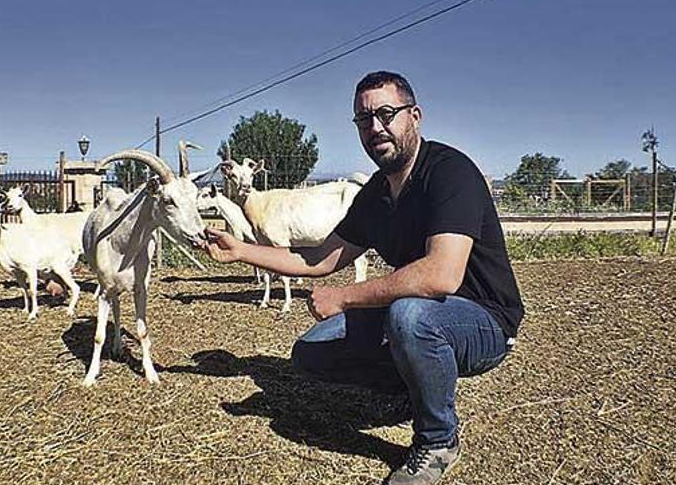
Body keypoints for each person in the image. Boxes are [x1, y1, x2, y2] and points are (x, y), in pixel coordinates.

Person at [203, 71, 524, 485]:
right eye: (363, 119)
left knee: (409, 317)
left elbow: (441, 275)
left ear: (415, 116)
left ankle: (439, 439)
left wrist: (346, 297)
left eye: (386, 114)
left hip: (484, 322)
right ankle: (418, 393)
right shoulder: (374, 195)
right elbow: (319, 257)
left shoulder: (450, 173)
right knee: (311, 352)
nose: (375, 128)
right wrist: (242, 250)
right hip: (420, 316)